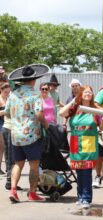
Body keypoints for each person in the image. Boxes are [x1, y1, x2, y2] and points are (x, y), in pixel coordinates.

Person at [5, 64, 49, 203]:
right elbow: (39, 114)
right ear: (34, 80)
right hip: (31, 135)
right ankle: (32, 192)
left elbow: (7, 112)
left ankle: (13, 190)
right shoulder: (35, 94)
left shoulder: (12, 94)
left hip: (15, 135)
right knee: (34, 165)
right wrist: (47, 126)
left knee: (18, 163)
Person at [59, 86, 103, 209]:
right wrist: (73, 100)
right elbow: (61, 113)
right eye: (85, 92)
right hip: (76, 144)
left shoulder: (95, 110)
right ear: (81, 94)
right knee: (79, 172)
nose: (88, 94)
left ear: (92, 95)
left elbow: (101, 128)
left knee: (86, 173)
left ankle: (86, 198)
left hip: (89, 145)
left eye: (90, 92)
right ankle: (80, 196)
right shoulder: (74, 108)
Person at [0, 81, 10, 174]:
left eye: (8, 92)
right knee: (3, 146)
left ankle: (7, 167)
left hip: (6, 123)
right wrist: (5, 111)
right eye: (5, 92)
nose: (7, 93)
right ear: (1, 90)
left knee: (4, 147)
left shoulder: (8, 99)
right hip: (1, 124)